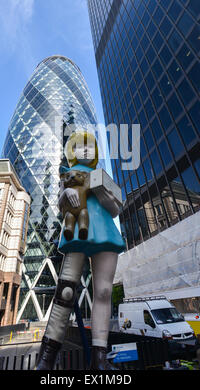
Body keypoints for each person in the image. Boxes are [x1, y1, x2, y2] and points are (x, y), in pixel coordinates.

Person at [35, 131, 125, 370]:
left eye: (89, 147)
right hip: (76, 232)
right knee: (65, 291)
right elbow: (61, 205)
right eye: (79, 147)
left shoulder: (102, 176)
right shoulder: (68, 175)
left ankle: (99, 358)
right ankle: (47, 356)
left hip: (105, 231)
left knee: (104, 291)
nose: (85, 150)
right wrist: (65, 194)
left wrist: (100, 190)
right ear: (71, 151)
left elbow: (116, 209)